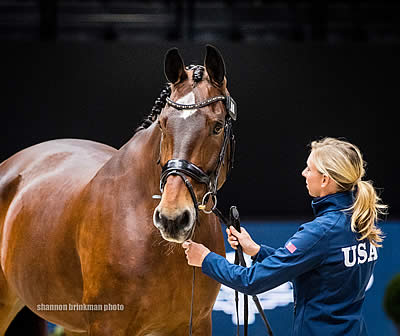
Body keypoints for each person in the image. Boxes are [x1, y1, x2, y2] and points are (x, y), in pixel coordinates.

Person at [182, 137, 387, 336]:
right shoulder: (360, 221)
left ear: (325, 180)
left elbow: (251, 281)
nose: (303, 173)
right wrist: (257, 251)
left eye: (309, 168)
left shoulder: (321, 232)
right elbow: (315, 265)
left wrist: (206, 259)